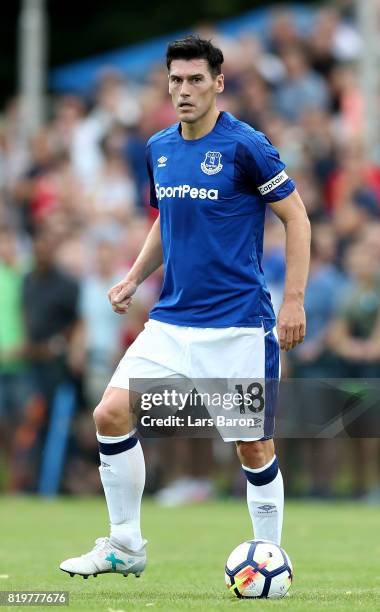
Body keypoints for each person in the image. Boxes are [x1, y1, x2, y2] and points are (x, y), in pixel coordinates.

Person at [60, 36, 310, 579]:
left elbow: (297, 218)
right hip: (172, 320)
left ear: (218, 83)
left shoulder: (247, 146)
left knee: (252, 446)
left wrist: (292, 302)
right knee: (109, 413)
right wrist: (132, 277)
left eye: (196, 79)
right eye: (176, 80)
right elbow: (166, 220)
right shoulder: (159, 148)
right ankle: (125, 544)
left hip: (239, 324)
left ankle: (270, 559)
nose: (184, 90)